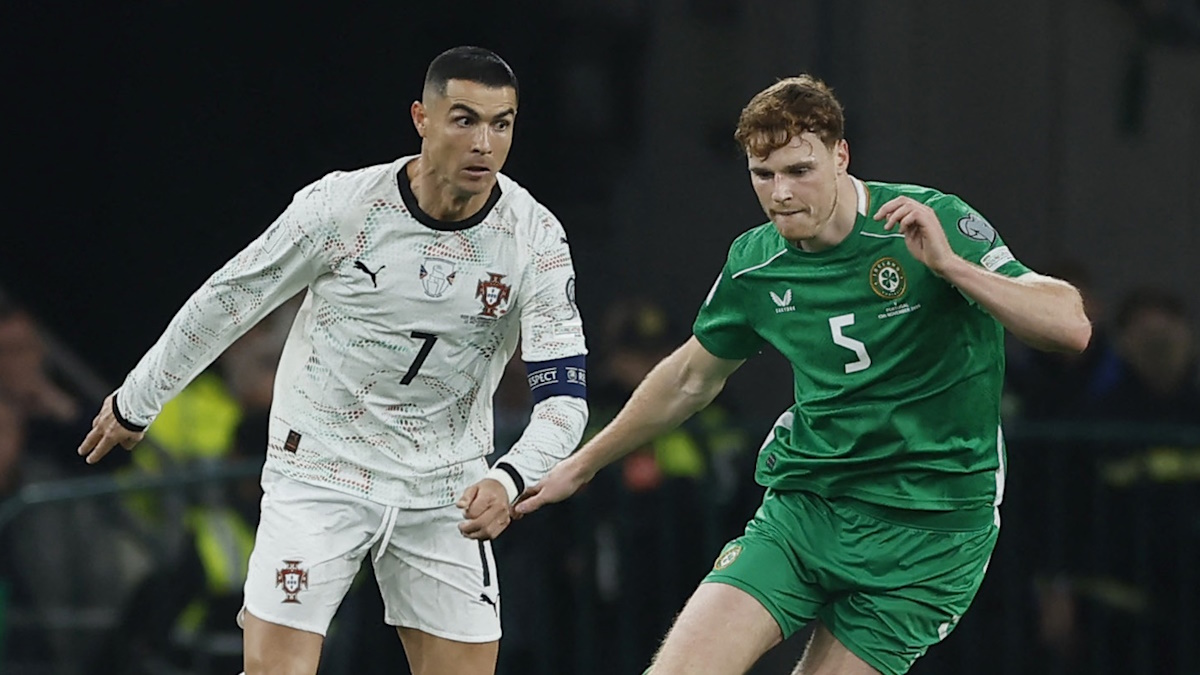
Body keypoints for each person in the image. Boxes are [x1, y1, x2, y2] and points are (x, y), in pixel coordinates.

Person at [517, 74, 1092, 675]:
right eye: (763, 175)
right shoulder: (755, 262)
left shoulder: (930, 220)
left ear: (841, 155)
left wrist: (952, 268)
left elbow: (1070, 327)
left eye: (799, 170)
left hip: (931, 532)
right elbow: (689, 377)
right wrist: (581, 465)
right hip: (808, 510)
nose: (781, 193)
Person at [77, 46, 588, 675]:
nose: (484, 143)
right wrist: (138, 400)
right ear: (421, 119)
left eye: (501, 124)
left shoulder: (534, 237)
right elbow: (230, 299)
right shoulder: (344, 207)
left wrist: (507, 480)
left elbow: (565, 404)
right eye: (464, 120)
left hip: (445, 487)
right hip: (322, 470)